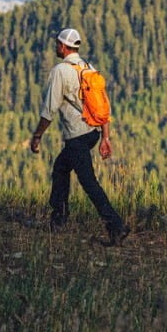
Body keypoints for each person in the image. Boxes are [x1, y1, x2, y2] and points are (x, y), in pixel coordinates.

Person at [29, 27, 129, 244]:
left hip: (76, 135)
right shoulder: (88, 67)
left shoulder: (60, 71)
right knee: (61, 168)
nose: (56, 46)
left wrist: (37, 136)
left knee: (88, 181)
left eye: (57, 44)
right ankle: (59, 218)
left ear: (64, 47)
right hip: (92, 132)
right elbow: (103, 105)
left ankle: (116, 225)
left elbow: (49, 110)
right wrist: (105, 137)